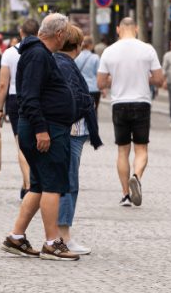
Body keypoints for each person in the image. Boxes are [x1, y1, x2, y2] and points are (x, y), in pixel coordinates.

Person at [0, 13, 80, 261]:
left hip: (44, 127)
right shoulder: (38, 55)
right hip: (46, 129)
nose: (65, 39)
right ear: (58, 35)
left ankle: (16, 236)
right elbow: (30, 96)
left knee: (38, 185)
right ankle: (52, 242)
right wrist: (41, 129)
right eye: (65, 35)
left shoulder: (36, 53)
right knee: (53, 185)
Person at [97, 18, 165, 207]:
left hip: (119, 103)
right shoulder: (148, 49)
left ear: (118, 29)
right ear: (136, 28)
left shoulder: (109, 51)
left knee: (122, 151)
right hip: (142, 102)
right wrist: (144, 77)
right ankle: (136, 176)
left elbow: (100, 83)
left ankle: (126, 194)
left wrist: (115, 79)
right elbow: (159, 79)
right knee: (141, 148)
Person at [53, 25, 102, 256]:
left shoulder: (61, 63)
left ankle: (56, 234)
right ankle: (63, 236)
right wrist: (85, 106)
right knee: (69, 184)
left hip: (72, 130)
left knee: (66, 183)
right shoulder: (64, 64)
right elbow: (71, 98)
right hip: (72, 130)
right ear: (78, 45)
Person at [0, 19, 40, 200]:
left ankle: (28, 184)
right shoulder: (42, 51)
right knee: (35, 143)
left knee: (21, 144)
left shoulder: (9, 53)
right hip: (36, 97)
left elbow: (3, 83)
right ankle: (29, 183)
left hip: (15, 98)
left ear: (20, 32)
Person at [75, 36, 101, 110]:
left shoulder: (77, 56)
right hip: (94, 88)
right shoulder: (95, 57)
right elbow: (98, 74)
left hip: (81, 89)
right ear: (91, 45)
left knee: (82, 114)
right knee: (94, 112)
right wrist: (102, 89)